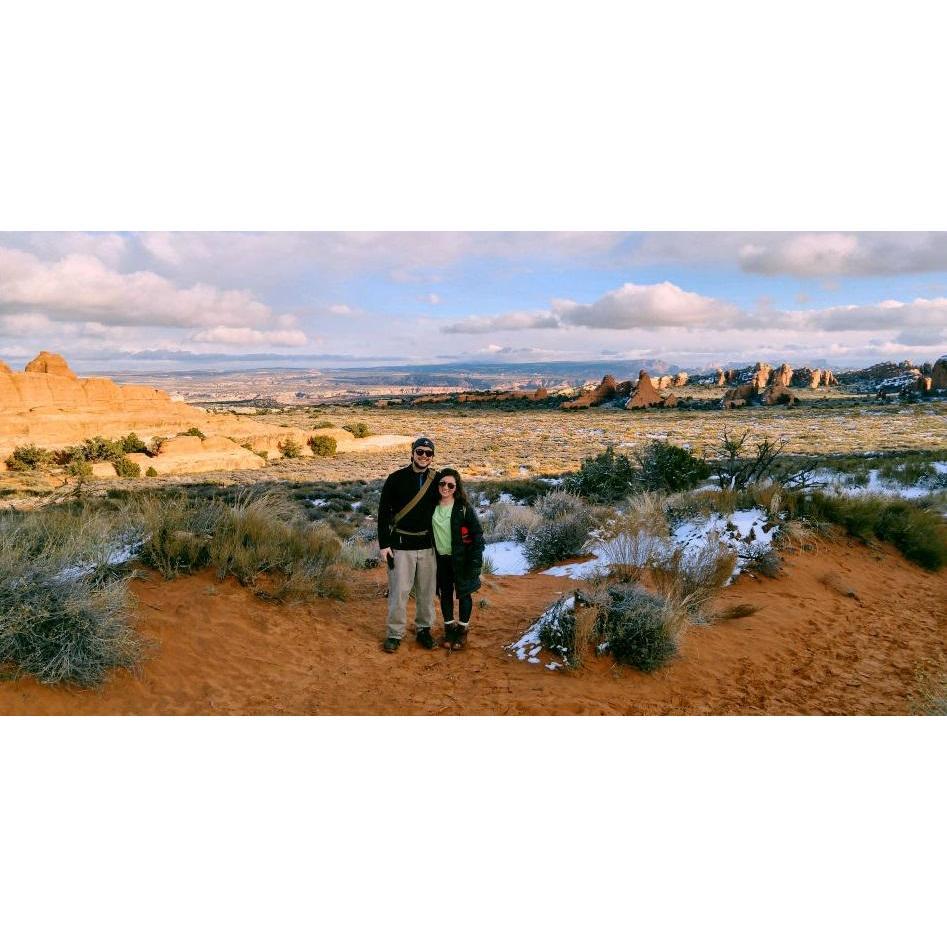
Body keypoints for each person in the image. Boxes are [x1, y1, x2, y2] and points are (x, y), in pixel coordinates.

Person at [377, 436, 439, 653]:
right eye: (420, 452)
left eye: (428, 453)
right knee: (399, 592)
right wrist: (384, 544)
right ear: (412, 453)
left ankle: (424, 629)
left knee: (426, 592)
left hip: (428, 546)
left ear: (432, 457)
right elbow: (383, 513)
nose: (423, 456)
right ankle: (395, 634)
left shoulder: (438, 481)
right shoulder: (395, 479)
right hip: (401, 545)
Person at [431, 467, 484, 651]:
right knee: (445, 594)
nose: (445, 487)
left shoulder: (463, 508)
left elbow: (477, 534)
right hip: (440, 560)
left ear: (456, 487)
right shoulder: (432, 505)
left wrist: (476, 561)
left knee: (463, 593)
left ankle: (462, 631)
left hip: (461, 559)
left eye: (450, 485)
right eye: (442, 483)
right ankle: (449, 628)